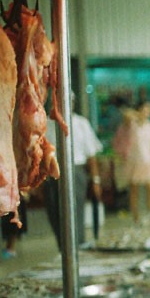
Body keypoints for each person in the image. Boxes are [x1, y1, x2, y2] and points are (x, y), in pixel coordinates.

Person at [45, 93, 103, 249]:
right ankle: (63, 251)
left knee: (75, 214)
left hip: (76, 171)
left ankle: (78, 249)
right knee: (55, 215)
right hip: (52, 174)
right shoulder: (46, 123)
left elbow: (91, 155)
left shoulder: (81, 123)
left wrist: (95, 180)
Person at [120, 100, 150, 222]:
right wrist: (138, 115)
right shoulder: (132, 124)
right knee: (134, 190)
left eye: (149, 110)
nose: (148, 112)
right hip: (135, 160)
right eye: (145, 109)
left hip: (148, 160)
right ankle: (135, 216)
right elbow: (126, 114)